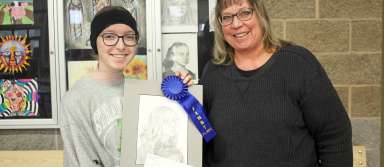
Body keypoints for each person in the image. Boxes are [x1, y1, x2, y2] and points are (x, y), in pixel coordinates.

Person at [200, 0, 353, 167]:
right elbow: (201, 135)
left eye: (245, 13)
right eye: (227, 17)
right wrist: (182, 93)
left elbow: (335, 136)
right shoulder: (212, 73)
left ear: (261, 15)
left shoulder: (298, 64)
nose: (236, 24)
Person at [59, 6, 192, 167]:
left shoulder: (143, 93)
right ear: (95, 42)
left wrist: (183, 93)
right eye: (109, 36)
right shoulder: (76, 100)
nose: (121, 46)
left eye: (129, 37)